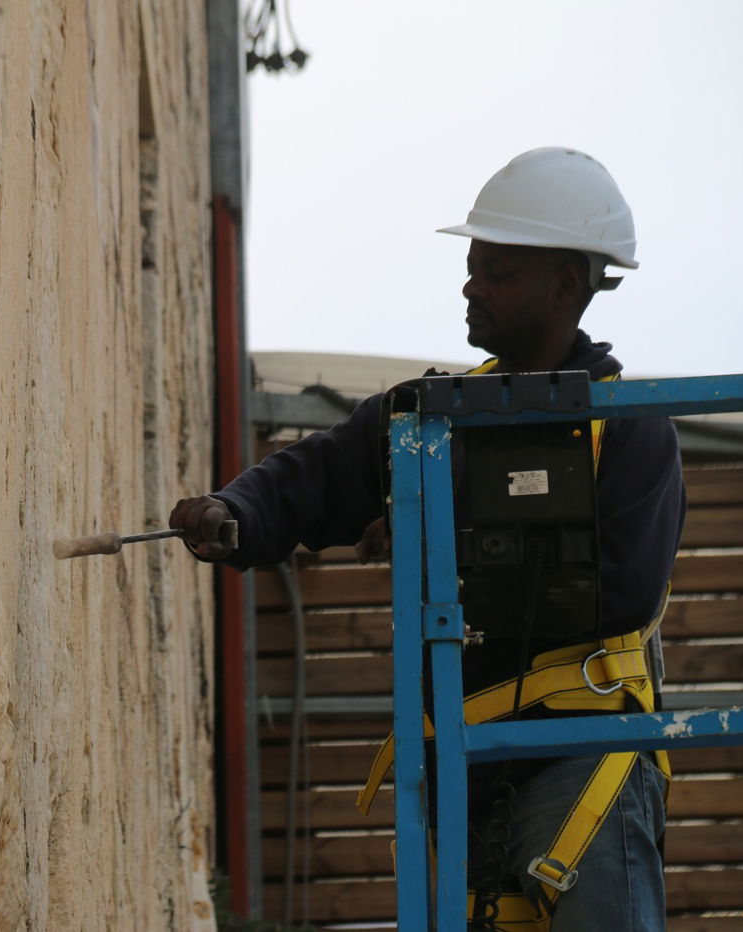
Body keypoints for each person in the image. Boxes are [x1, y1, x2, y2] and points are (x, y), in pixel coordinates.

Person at [170, 147, 685, 931]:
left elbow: (619, 593)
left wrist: (440, 537)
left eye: (497, 272)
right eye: (472, 268)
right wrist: (232, 510)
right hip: (467, 767)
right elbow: (320, 475)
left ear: (565, 287)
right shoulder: (431, 419)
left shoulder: (629, 429)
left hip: (583, 756)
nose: (471, 287)